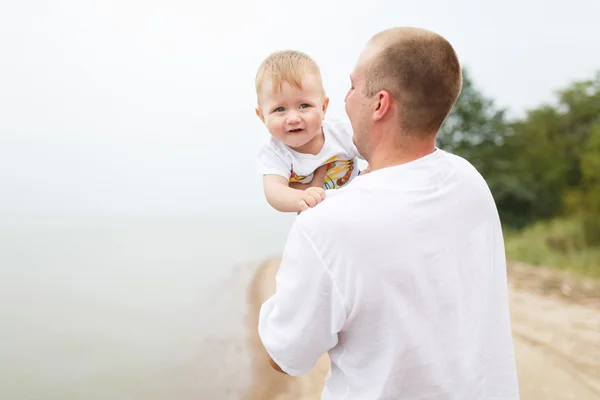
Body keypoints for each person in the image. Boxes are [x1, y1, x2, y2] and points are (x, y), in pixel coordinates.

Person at [257, 27, 520, 399]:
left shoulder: (328, 225)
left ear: (380, 104)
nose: (344, 101)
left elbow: (285, 355)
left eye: (351, 87)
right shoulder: (470, 181)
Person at [254, 50, 366, 213]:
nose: (293, 118)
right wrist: (300, 198)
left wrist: (372, 173)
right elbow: (274, 191)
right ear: (262, 116)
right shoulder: (275, 152)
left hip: (358, 203)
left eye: (304, 106)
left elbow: (378, 152)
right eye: (280, 109)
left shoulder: (342, 132)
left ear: (323, 107)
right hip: (322, 217)